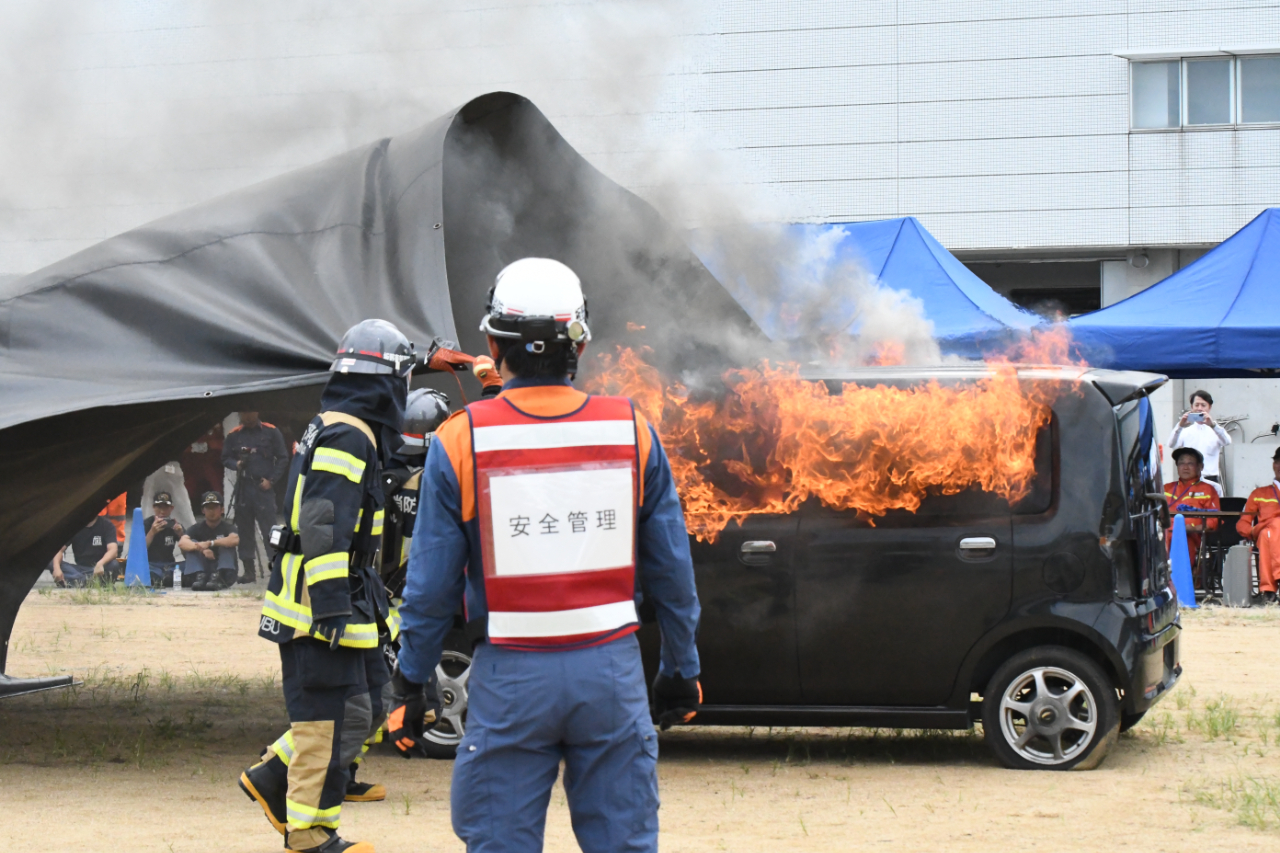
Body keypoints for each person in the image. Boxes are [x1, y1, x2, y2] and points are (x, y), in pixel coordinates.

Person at [394, 258, 703, 853]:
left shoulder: (462, 437)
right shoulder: (632, 431)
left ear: (492, 343)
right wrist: (681, 670)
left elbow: (430, 588)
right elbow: (672, 574)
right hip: (611, 672)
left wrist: (410, 683)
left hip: (509, 676)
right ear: (580, 343)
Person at [238, 319, 413, 853]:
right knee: (326, 721)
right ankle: (309, 835)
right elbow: (320, 520)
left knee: (370, 704)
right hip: (320, 603)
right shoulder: (347, 434)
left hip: (345, 596)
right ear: (385, 382)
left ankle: (272, 778)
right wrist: (333, 605)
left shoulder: (345, 424)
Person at [222, 411, 289, 584]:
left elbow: (283, 457)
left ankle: (277, 567)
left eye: (250, 413)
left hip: (263, 487)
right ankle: (249, 570)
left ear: (257, 412)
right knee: (244, 530)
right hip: (244, 487)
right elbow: (225, 458)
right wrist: (236, 464)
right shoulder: (234, 434)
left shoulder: (271, 431)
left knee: (270, 529)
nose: (247, 416)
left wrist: (272, 481)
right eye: (243, 413)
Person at [1163, 447, 1220, 579]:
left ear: (1200, 466)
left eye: (1190, 463)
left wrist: (1193, 528)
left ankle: (1179, 581)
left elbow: (1214, 519)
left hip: (1192, 536)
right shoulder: (1166, 488)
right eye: (1181, 463)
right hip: (1164, 534)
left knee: (1182, 537)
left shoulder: (1208, 490)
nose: (1185, 467)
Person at [1236, 446, 1280, 605]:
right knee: (1269, 532)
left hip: (1268, 537)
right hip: (1265, 535)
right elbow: (1242, 525)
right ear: (1274, 465)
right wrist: (1255, 530)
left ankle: (1269, 589)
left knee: (1271, 531)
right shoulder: (1259, 494)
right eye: (1278, 461)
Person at [1167, 390, 1231, 494]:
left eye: (1203, 405)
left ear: (1209, 408)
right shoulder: (1185, 430)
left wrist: (1213, 425)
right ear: (1192, 407)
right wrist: (1180, 426)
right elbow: (1171, 444)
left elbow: (1227, 441)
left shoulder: (1215, 430)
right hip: (1189, 479)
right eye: (1196, 405)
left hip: (1211, 479)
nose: (1199, 408)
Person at [178, 491, 241, 591]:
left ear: (222, 509)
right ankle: (199, 576)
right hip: (203, 570)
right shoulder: (196, 528)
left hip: (225, 573)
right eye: (208, 508)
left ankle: (220, 576)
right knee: (192, 543)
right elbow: (182, 543)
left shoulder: (228, 527)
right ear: (203, 510)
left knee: (226, 543)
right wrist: (201, 549)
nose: (212, 511)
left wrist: (210, 543)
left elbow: (235, 539)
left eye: (215, 507)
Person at [52, 512, 119, 587]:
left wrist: (100, 564)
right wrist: (56, 568)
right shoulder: (73, 526)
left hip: (99, 568)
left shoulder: (107, 525)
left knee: (114, 564)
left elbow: (113, 550)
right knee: (51, 561)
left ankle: (77, 582)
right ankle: (87, 582)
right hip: (79, 569)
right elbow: (59, 550)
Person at [143, 491, 185, 588]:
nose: (162, 511)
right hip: (151, 564)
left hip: (169, 565)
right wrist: (152, 532)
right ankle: (161, 578)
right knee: (147, 570)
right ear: (154, 507)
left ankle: (165, 577)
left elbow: (187, 554)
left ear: (171, 508)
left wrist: (180, 535)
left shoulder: (174, 524)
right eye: (159, 507)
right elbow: (138, 551)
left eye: (165, 507)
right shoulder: (146, 524)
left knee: (188, 566)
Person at [181, 422, 226, 506]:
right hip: (190, 463)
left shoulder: (218, 423)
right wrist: (191, 447)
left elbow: (225, 443)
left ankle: (222, 507)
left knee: (217, 483)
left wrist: (210, 445)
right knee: (186, 487)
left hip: (211, 462)